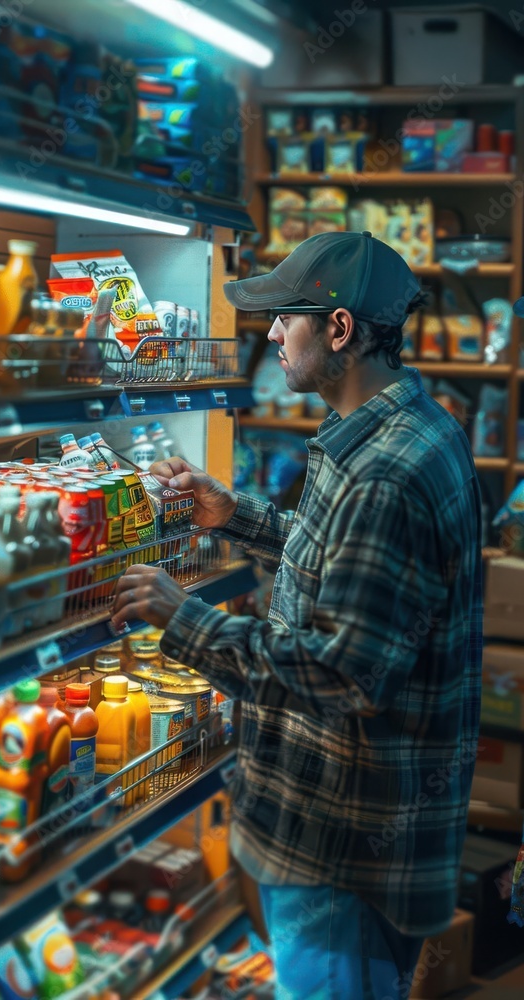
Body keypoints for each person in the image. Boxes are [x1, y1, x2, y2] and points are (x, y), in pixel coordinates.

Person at [112, 232, 483, 1000]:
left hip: (340, 848)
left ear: (340, 329)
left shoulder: (384, 473)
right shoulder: (398, 430)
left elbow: (339, 669)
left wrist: (183, 619)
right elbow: (343, 572)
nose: (271, 334)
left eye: (288, 317)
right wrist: (234, 515)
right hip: (351, 836)